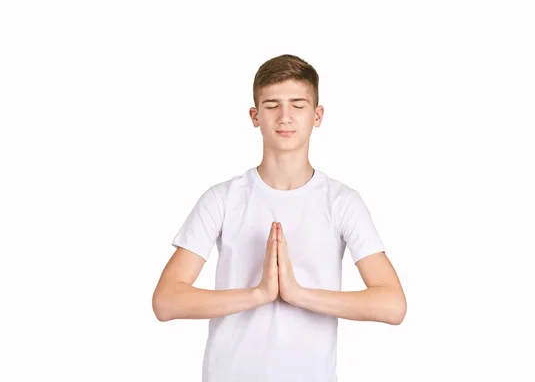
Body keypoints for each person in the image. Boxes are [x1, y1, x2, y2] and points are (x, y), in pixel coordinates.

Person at [152, 54, 407, 381]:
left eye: (298, 105)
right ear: (255, 116)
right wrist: (257, 294)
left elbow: (393, 305)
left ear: (318, 115)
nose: (285, 116)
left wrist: (297, 294)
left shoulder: (342, 203)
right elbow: (166, 301)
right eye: (272, 105)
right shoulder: (222, 199)